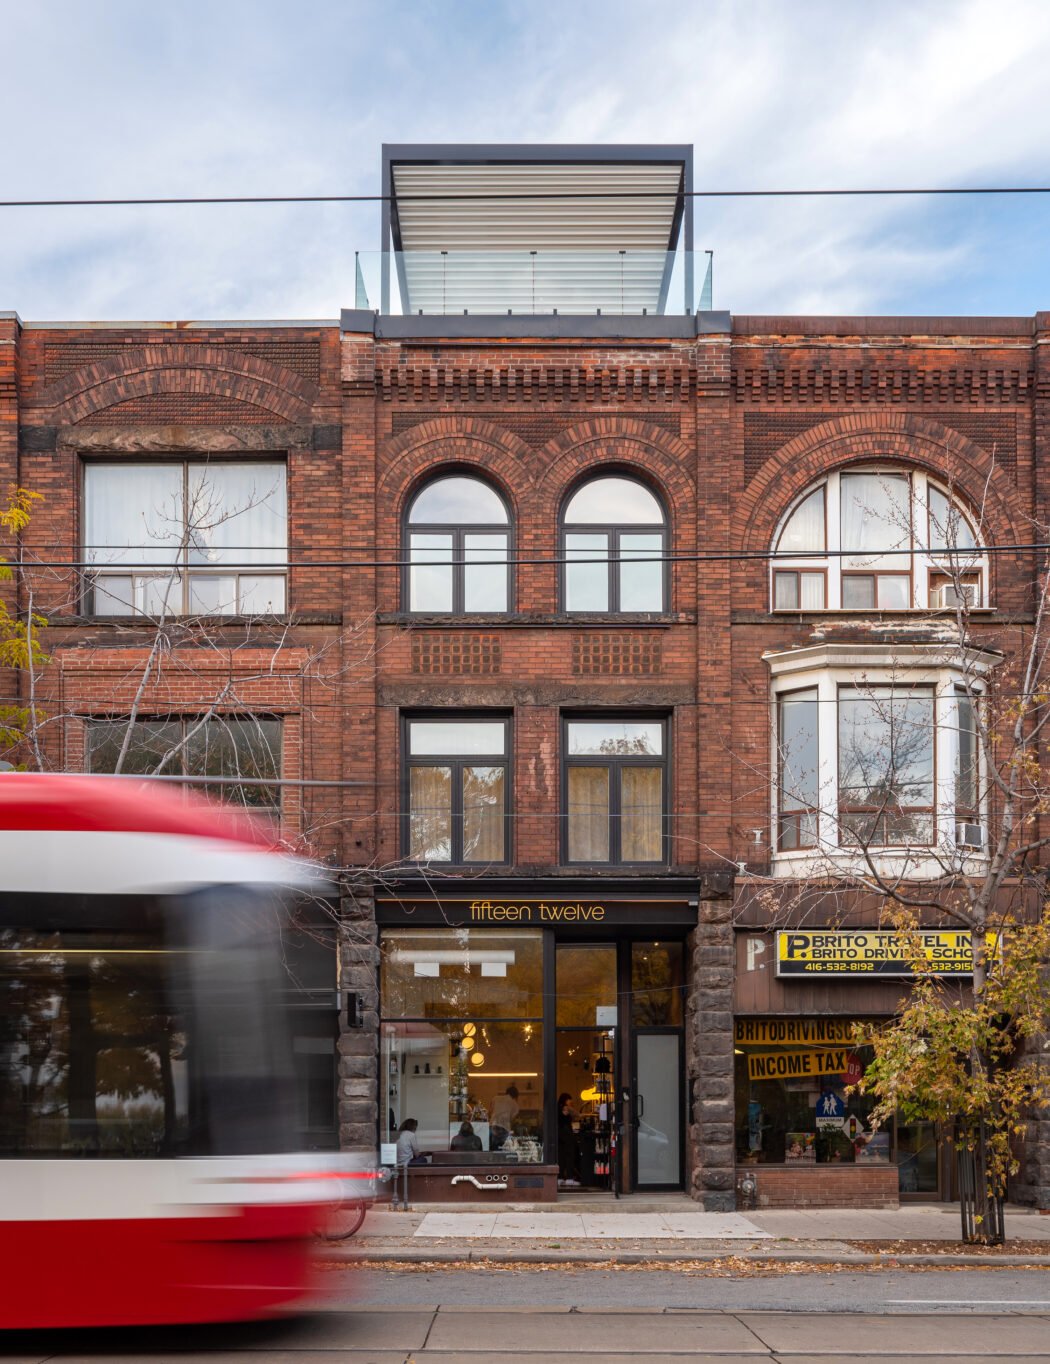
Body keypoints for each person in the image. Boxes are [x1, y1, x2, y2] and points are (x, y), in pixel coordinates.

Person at [557, 1092, 580, 1187]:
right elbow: (577, 1114)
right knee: (570, 1156)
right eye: (570, 1099)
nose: (571, 1101)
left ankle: (560, 1178)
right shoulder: (565, 1107)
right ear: (566, 1099)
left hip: (559, 1134)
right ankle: (570, 1178)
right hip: (566, 1134)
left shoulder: (557, 1107)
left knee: (561, 1156)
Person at [488, 1084, 519, 1150]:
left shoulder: (495, 1098)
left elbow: (490, 1112)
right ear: (516, 1096)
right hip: (505, 1128)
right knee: (504, 1150)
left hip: (493, 1126)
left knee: (492, 1149)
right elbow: (512, 1120)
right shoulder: (515, 1104)